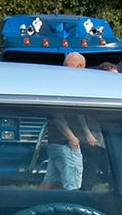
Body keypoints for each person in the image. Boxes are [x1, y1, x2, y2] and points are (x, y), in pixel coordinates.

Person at [40, 52, 99, 190]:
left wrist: (85, 132)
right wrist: (72, 137)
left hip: (55, 143)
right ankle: (70, 211)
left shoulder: (62, 85)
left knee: (49, 182)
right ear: (80, 66)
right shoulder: (64, 88)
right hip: (67, 144)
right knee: (72, 186)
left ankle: (29, 202)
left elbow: (78, 115)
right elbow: (57, 117)